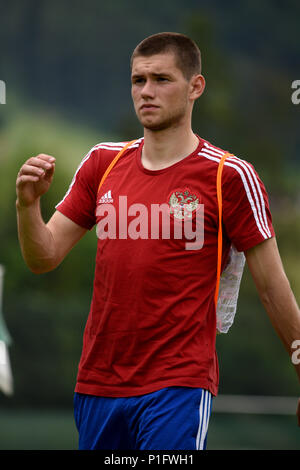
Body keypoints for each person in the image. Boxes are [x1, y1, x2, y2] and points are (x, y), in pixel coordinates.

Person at [16, 32, 300, 450]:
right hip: (97, 384)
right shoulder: (102, 162)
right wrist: (27, 207)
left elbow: (274, 291)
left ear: (195, 87)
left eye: (162, 79)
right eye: (138, 80)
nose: (146, 92)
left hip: (178, 385)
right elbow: (44, 257)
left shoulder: (229, 176)